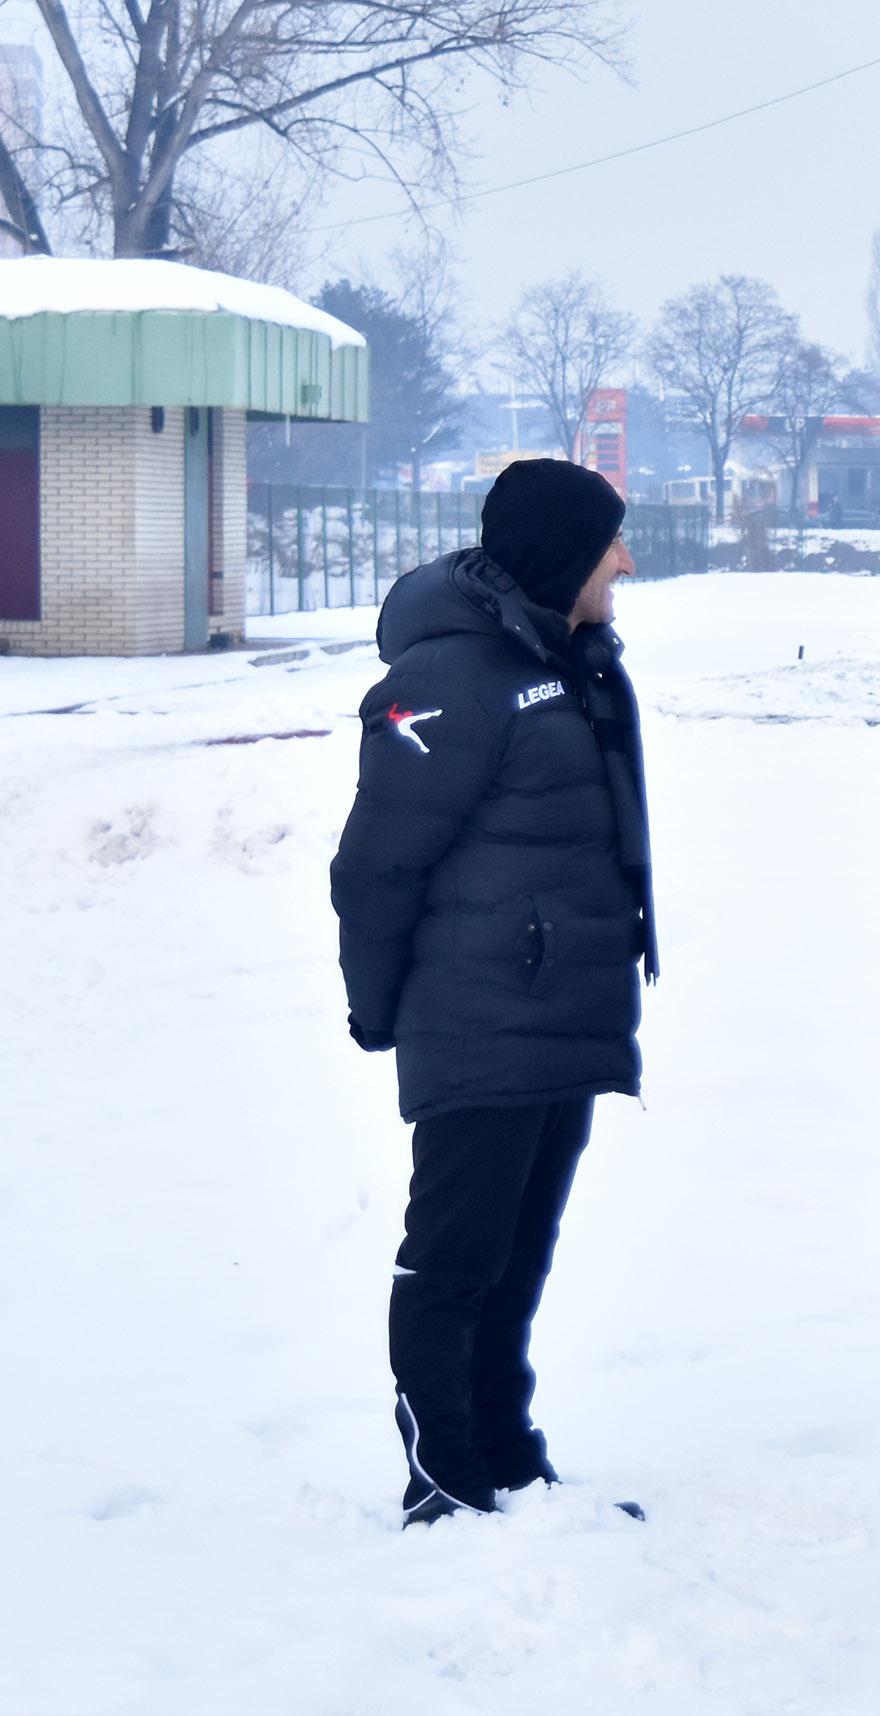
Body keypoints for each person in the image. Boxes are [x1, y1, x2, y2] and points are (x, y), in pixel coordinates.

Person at [332, 460, 654, 1528]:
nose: (626, 559)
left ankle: (507, 1457)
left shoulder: (567, 660)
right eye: (610, 541)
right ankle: (444, 1475)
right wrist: (380, 1007)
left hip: (562, 1011)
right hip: (480, 1013)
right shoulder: (454, 680)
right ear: (564, 554)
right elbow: (377, 865)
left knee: (519, 1255)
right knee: (455, 1259)